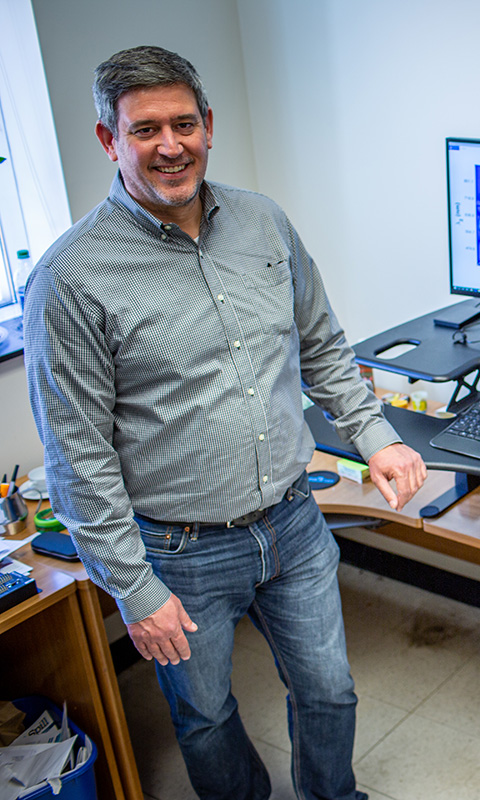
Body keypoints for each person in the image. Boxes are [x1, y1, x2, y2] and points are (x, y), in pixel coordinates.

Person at [24, 45, 427, 800]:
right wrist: (134, 590)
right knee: (206, 717)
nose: (170, 145)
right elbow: (79, 461)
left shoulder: (264, 222)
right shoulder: (71, 280)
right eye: (145, 130)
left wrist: (380, 438)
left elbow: (323, 348)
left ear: (208, 126)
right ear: (110, 141)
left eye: (184, 123)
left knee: (331, 692)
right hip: (178, 549)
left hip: (294, 518)